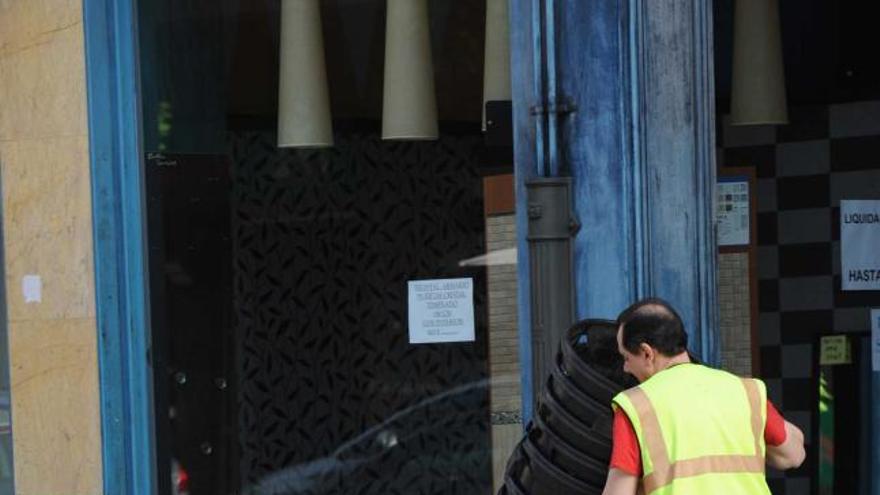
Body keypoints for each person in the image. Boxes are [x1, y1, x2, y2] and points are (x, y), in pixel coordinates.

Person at [601, 298, 805, 495]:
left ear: (647, 353)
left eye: (626, 358)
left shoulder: (637, 405)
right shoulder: (744, 391)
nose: (626, 368)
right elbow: (794, 455)